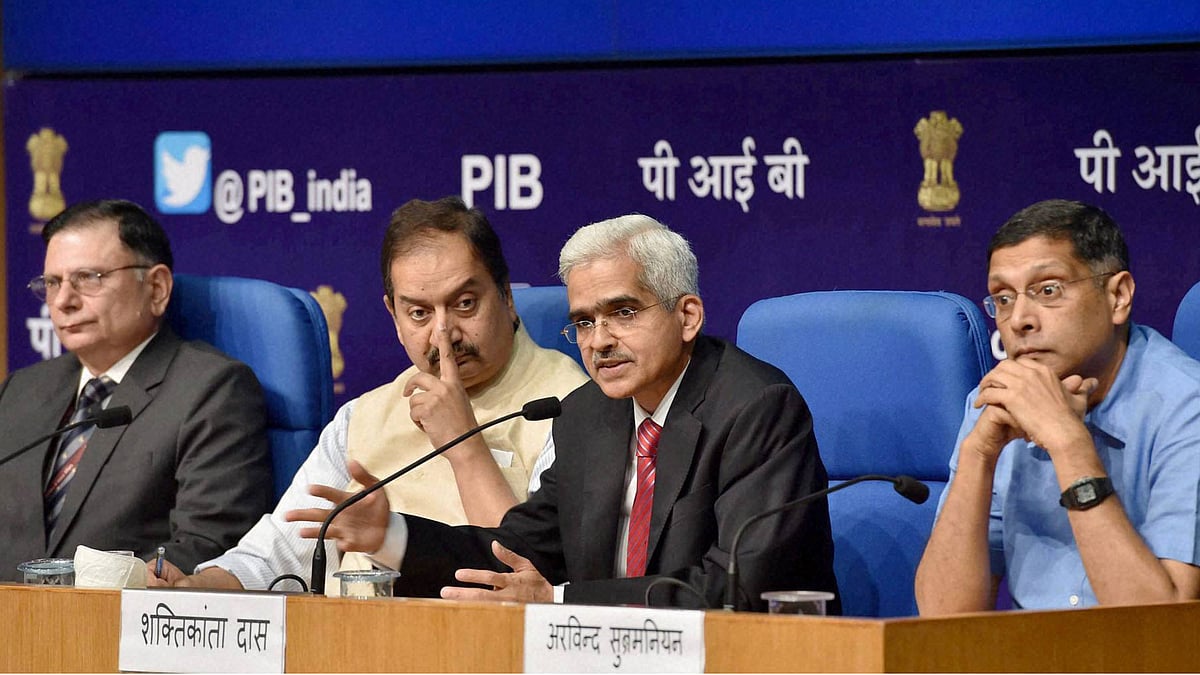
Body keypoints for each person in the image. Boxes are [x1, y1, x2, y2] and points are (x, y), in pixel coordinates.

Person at [291, 213, 838, 611]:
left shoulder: (757, 409)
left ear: (687, 315)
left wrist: (559, 600)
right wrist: (394, 535)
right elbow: (516, 550)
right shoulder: (587, 415)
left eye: (622, 312)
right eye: (583, 322)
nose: (600, 341)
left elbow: (736, 588)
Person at [150, 196, 587, 592]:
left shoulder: (576, 407)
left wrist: (465, 445)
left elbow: (533, 571)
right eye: (418, 312)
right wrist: (198, 585)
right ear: (393, 317)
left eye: (465, 304)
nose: (443, 333)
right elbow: (280, 551)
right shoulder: (362, 416)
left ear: (507, 296)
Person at [915, 199, 1200, 614]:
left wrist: (1069, 443)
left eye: (1047, 290)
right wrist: (978, 455)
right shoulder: (996, 404)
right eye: (1004, 298)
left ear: (1118, 295)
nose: (1019, 321)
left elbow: (1160, 626)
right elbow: (942, 616)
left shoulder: (1186, 408)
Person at [0, 199, 272, 580]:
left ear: (157, 288)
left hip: (121, 626)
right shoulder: (21, 390)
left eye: (88, 278)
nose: (63, 301)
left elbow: (209, 543)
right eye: (52, 283)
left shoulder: (210, 390)